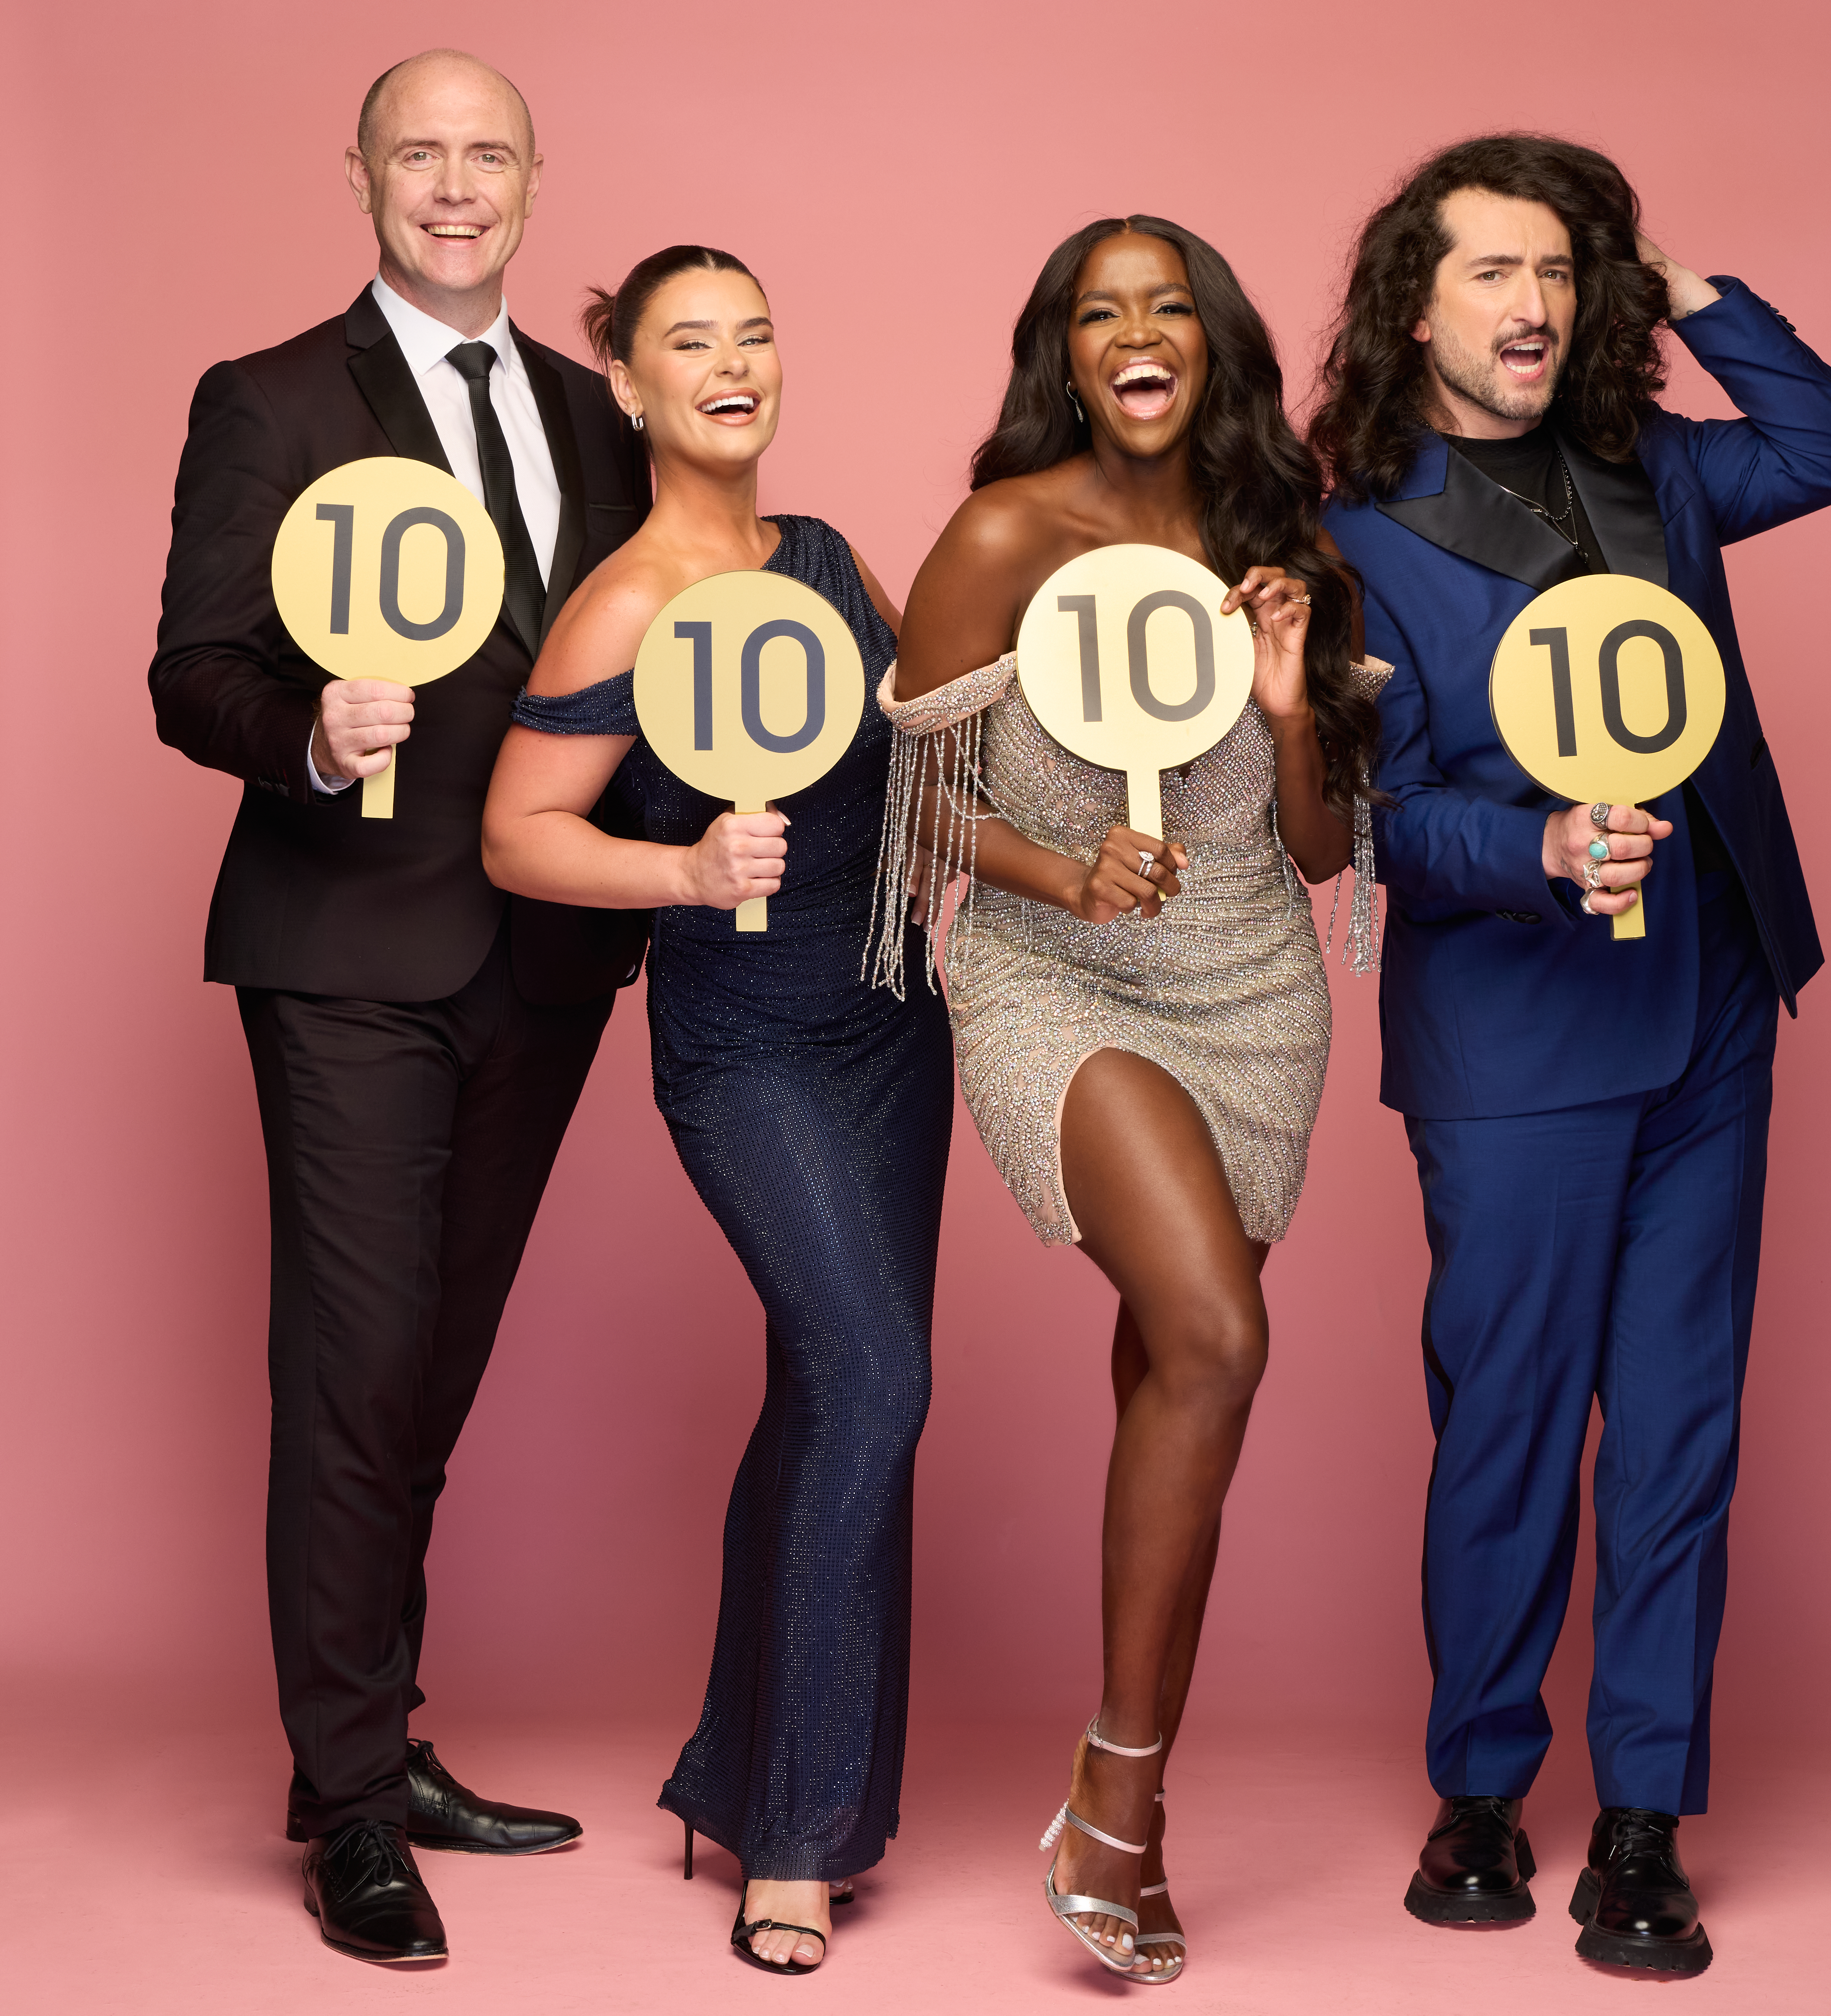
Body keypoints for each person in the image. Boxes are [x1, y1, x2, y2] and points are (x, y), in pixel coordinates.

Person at [1310, 134, 1831, 1976]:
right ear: (1416, 301)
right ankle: (1479, 1788)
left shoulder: (1655, 466)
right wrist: (1542, 848)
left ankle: (1643, 1818)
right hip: (1516, 1034)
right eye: (1492, 271)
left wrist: (1683, 276)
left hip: (1711, 1008)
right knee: (1505, 1429)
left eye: (1560, 271)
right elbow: (1380, 815)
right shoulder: (1352, 534)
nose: (1536, 305)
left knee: (1679, 1435)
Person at [149, 50, 650, 1965]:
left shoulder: (595, 417)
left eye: (488, 155)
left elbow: (630, 669)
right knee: (353, 1374)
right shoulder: (270, 397)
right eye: (420, 154)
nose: (456, 186)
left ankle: (374, 1739)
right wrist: (298, 729)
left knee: (433, 1370)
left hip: (542, 960)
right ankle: (351, 1809)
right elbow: (190, 669)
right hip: (345, 951)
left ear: (534, 177)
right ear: (360, 173)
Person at [870, 216, 1384, 1985]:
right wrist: (1052, 870)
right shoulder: (1008, 532)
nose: (1138, 333)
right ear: (1065, 357)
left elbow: (1319, 848)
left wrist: (1289, 703)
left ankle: (1118, 1782)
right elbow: (912, 809)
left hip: (1251, 990)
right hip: (1056, 972)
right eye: (1102, 314)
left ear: (1212, 344)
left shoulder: (1278, 543)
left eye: (1169, 306)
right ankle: (1124, 1791)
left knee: (1179, 1371)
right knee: (1220, 1337)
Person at [481, 244, 952, 1977]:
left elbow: (929, 765)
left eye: (756, 332)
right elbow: (519, 833)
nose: (734, 362)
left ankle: (754, 1777)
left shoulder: (827, 563)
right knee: (880, 1375)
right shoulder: (620, 602)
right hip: (744, 1040)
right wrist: (680, 863)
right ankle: (798, 1839)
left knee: (835, 1393)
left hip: (896, 1018)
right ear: (631, 383)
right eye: (694, 341)